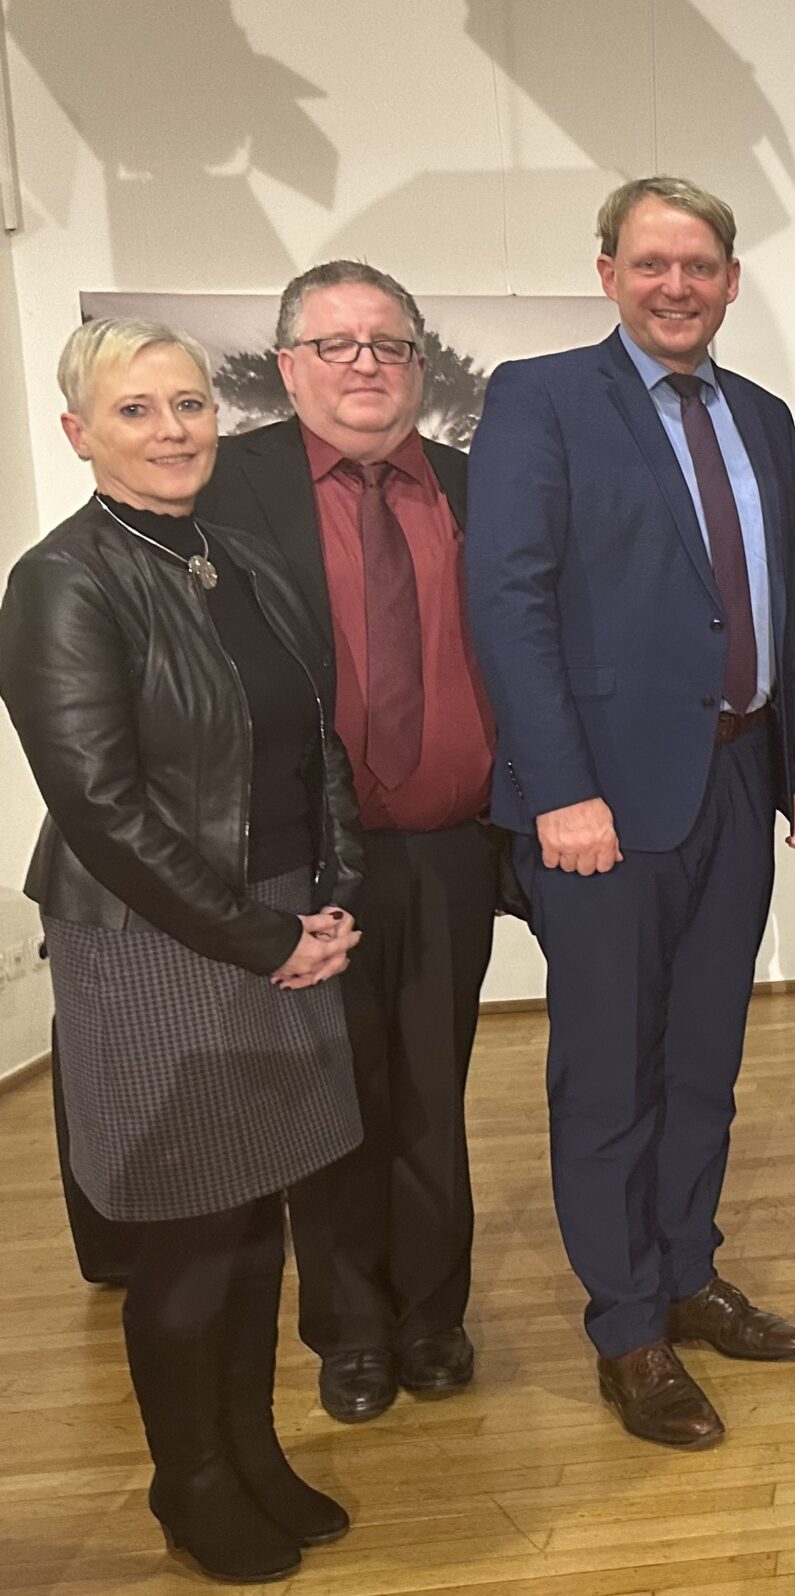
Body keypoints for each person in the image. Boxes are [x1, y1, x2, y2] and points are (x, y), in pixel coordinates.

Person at [467, 177, 795, 1450]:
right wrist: (558, 787)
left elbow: (789, 603)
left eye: (699, 264)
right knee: (608, 1073)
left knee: (703, 1063)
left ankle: (687, 1272)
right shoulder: (541, 398)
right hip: (603, 805)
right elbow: (509, 605)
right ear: (609, 272)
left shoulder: (763, 415)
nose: (676, 285)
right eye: (651, 262)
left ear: (731, 281)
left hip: (737, 780)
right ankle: (625, 1323)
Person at [0, 319, 365, 1579]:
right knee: (189, 1233)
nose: (173, 431)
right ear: (79, 436)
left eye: (190, 405)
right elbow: (101, 808)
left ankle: (254, 1448)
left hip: (277, 922)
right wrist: (264, 934)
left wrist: (331, 897)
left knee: (258, 1213)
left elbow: (313, 749)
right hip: (151, 943)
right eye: (138, 412)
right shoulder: (63, 581)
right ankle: (189, 1480)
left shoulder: (242, 557)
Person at [196, 260, 502, 1424]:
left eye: (387, 344)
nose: (365, 365)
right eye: (337, 345)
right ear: (288, 367)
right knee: (329, 1103)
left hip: (447, 849)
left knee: (433, 1091)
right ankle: (349, 1332)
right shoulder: (229, 489)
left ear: (419, 365)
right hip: (301, 861)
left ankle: (432, 1315)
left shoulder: (481, 487)